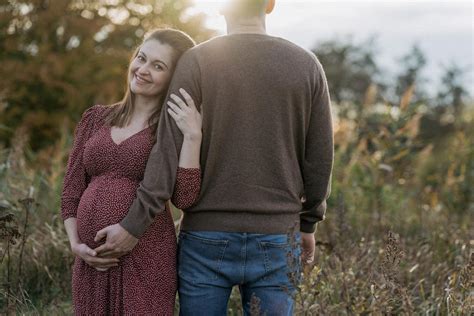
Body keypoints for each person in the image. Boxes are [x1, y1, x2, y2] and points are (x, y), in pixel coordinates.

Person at [97, 0, 334, 314]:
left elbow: (166, 151)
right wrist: (309, 223)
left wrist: (132, 227)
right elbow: (319, 159)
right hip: (277, 236)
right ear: (271, 5)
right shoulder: (306, 65)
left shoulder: (196, 62)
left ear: (221, 7)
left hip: (205, 238)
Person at [60, 29, 202, 315]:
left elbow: (184, 198)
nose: (143, 70)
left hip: (146, 259)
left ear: (173, 77)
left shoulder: (171, 129)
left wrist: (193, 137)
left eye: (158, 66)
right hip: (92, 262)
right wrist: (76, 245)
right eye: (142, 58)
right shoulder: (95, 118)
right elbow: (72, 189)